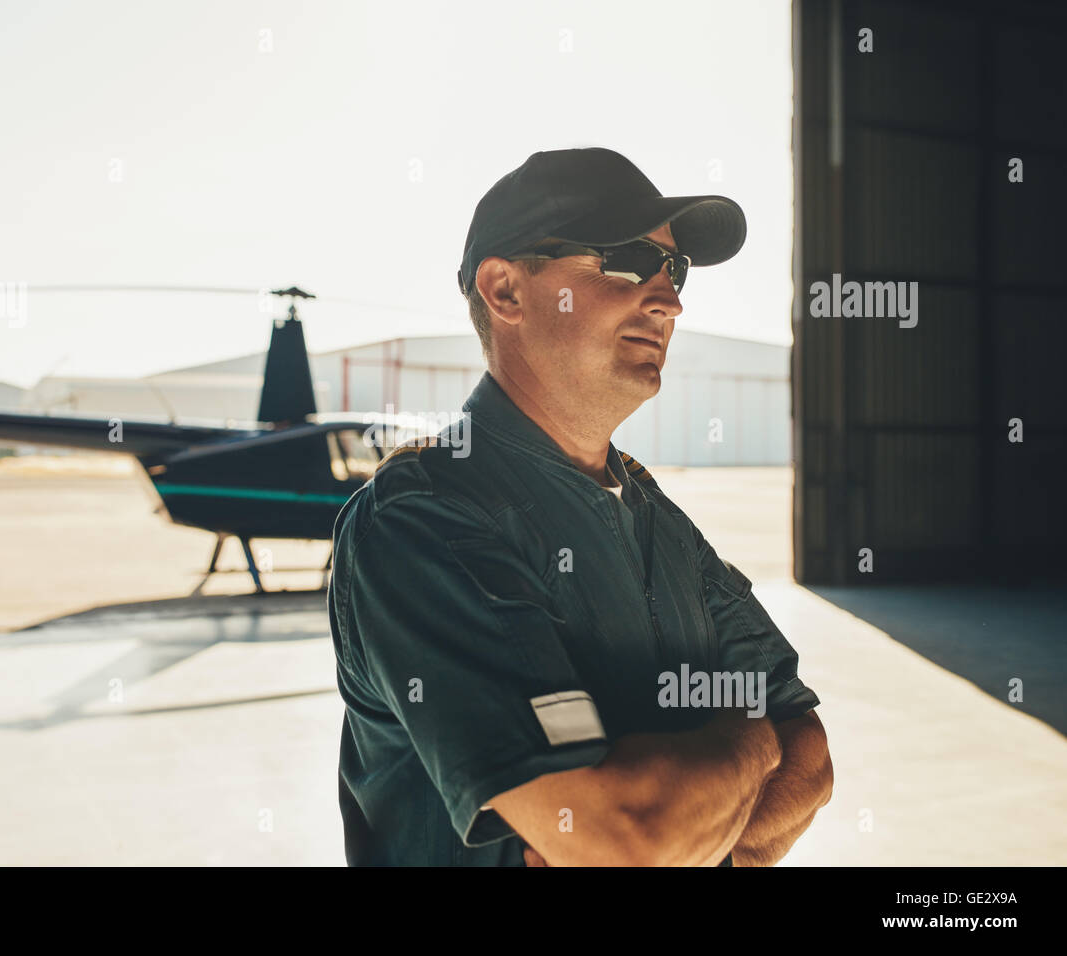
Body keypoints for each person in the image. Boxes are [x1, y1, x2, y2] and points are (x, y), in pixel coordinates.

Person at [328, 146, 832, 866]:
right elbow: (622, 838)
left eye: (675, 269)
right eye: (626, 260)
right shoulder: (420, 523)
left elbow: (811, 760)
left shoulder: (659, 519)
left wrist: (685, 822)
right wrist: (749, 738)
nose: (669, 299)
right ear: (505, 291)